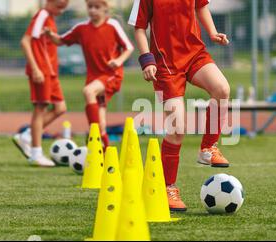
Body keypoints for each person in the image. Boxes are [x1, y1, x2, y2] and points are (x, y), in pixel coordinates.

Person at [129, 0, 231, 211]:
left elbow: (201, 6)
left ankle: (208, 148)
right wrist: (147, 60)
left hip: (195, 54)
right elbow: (139, 28)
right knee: (178, 128)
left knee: (222, 89)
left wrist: (212, 33)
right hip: (165, 64)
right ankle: (167, 188)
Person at [45, 0, 134, 150]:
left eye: (97, 7)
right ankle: (106, 150)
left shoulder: (112, 25)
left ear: (105, 8)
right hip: (94, 78)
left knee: (88, 91)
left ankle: (95, 135)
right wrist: (49, 34)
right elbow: (60, 41)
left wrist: (118, 61)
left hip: (111, 75)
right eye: (90, 7)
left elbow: (129, 47)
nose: (93, 10)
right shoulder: (81, 29)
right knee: (101, 120)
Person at [13, 0, 69, 167]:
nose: (61, 11)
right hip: (42, 71)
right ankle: (36, 154)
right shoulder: (43, 15)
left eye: (64, 8)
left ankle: (27, 135)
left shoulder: (50, 17)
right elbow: (25, 41)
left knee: (60, 108)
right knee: (41, 109)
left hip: (51, 72)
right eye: (59, 6)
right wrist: (35, 68)